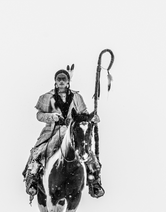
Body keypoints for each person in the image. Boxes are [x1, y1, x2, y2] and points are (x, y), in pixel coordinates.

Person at [23, 68, 105, 200]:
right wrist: (51, 116)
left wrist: (92, 118)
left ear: (68, 82)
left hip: (73, 130)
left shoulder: (76, 97)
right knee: (39, 151)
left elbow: (84, 114)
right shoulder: (47, 97)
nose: (61, 81)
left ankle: (94, 181)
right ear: (55, 81)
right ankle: (33, 178)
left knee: (86, 151)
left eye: (64, 79)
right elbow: (39, 115)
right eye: (59, 79)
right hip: (52, 130)